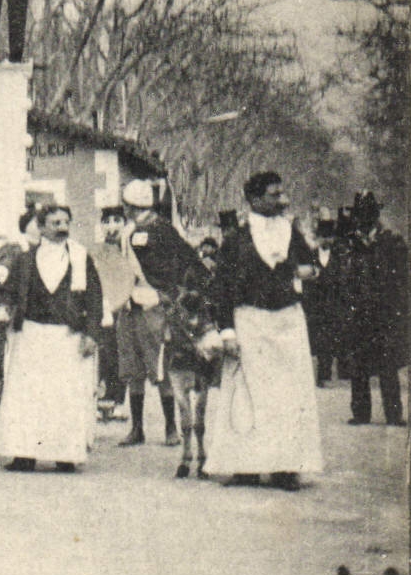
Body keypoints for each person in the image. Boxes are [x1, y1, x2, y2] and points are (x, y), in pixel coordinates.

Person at [201, 172, 323, 490]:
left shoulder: (293, 233)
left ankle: (286, 467)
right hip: (250, 322)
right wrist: (227, 331)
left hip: (287, 321)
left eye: (282, 193)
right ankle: (246, 467)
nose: (282, 200)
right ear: (254, 199)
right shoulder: (236, 240)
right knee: (246, 397)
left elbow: (315, 266)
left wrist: (303, 270)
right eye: (273, 194)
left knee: (287, 396)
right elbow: (222, 289)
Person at [0, 203, 103, 471]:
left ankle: (65, 456)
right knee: (28, 395)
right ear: (41, 227)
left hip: (66, 336)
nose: (62, 227)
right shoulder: (25, 259)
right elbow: (7, 292)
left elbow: (95, 298)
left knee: (64, 396)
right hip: (32, 334)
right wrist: (2, 309)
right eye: (55, 223)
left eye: (66, 221)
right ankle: (24, 454)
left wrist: (91, 334)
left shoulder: (80, 257)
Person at [117, 179, 202, 447]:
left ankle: (170, 428)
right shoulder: (126, 232)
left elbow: (185, 262)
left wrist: (168, 294)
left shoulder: (163, 230)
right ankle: (138, 428)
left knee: (161, 367)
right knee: (132, 367)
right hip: (129, 302)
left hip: (154, 303)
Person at [342, 191, 410, 425]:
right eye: (360, 213)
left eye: (368, 213)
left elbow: (403, 278)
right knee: (358, 364)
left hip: (386, 311)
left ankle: (393, 413)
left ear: (376, 214)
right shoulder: (349, 242)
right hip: (358, 311)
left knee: (387, 364)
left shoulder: (391, 241)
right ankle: (361, 413)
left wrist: (400, 309)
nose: (363, 218)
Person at [89, 204, 138, 422]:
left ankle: (118, 401)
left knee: (122, 352)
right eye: (107, 221)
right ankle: (101, 400)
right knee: (103, 352)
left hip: (126, 307)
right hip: (103, 307)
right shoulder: (97, 252)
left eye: (117, 221)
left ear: (124, 224)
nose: (112, 226)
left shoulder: (130, 249)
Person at [303, 215, 348, 387]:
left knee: (338, 339)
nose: (326, 240)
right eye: (323, 236)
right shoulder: (311, 256)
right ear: (317, 237)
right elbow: (306, 283)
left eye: (329, 236)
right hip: (317, 307)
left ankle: (343, 377)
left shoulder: (339, 256)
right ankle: (323, 376)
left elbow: (344, 280)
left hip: (336, 305)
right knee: (321, 342)